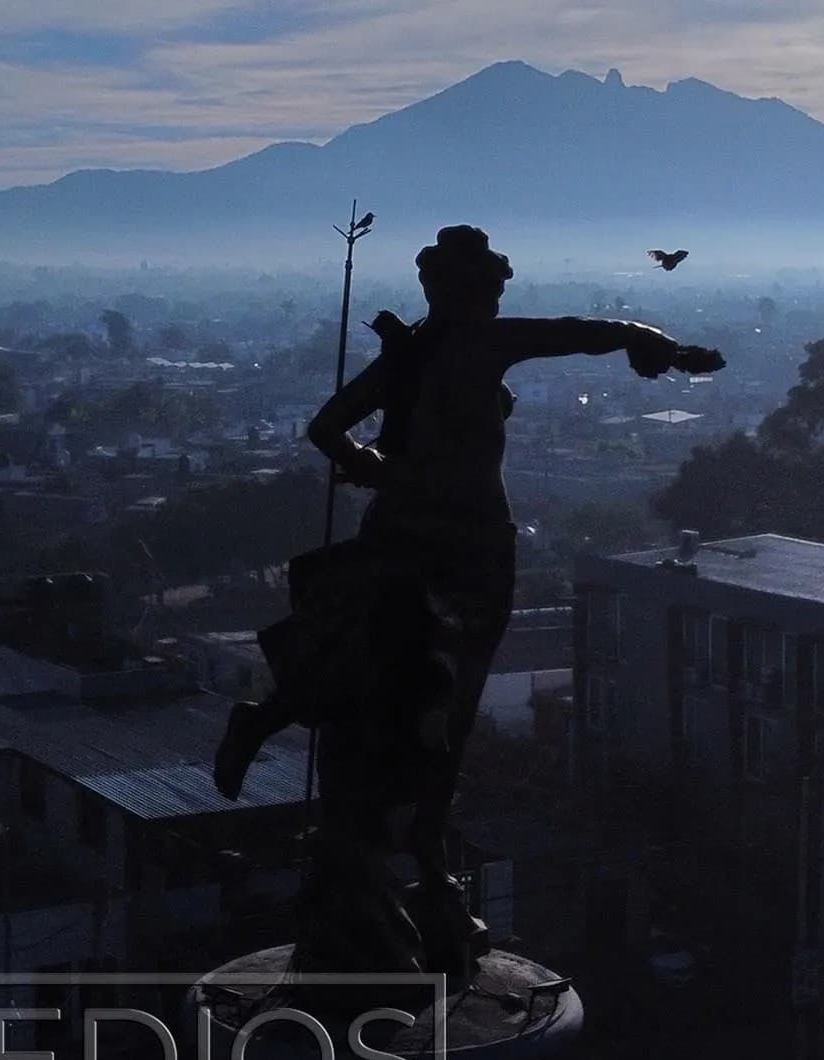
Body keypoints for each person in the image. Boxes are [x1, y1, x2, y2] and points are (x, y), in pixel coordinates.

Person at [214, 226, 723, 865]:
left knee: (374, 668)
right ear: (476, 291)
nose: (499, 299)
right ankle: (423, 839)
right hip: (472, 537)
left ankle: (272, 718)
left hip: (397, 526)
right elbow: (581, 331)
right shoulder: (481, 342)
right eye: (494, 288)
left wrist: (371, 465)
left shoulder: (412, 352)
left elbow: (326, 426)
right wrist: (662, 346)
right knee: (452, 698)